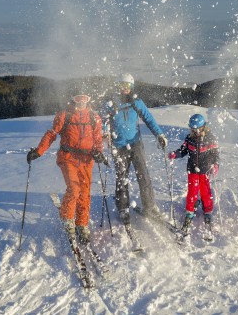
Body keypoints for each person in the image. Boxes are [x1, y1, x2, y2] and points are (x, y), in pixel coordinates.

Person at [27, 93, 108, 245]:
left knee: (84, 192)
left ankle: (82, 224)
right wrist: (39, 151)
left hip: (86, 160)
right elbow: (52, 134)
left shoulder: (94, 117)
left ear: (88, 100)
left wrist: (98, 152)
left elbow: (97, 138)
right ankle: (67, 218)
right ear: (73, 99)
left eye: (85, 99)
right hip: (68, 158)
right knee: (74, 189)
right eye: (78, 99)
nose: (82, 102)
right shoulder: (64, 115)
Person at [100, 73, 168, 226]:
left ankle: (150, 206)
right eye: (122, 86)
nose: (125, 89)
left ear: (132, 87)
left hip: (135, 144)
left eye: (128, 86)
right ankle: (123, 208)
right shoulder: (110, 104)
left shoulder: (136, 102)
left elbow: (148, 118)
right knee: (121, 178)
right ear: (117, 86)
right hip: (119, 146)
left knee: (143, 175)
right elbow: (102, 121)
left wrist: (159, 135)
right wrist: (104, 133)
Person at [169, 113, 219, 238]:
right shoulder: (189, 138)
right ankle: (190, 212)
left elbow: (215, 154)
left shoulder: (209, 138)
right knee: (192, 192)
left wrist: (215, 164)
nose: (195, 131)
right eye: (193, 129)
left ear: (203, 127)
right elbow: (183, 150)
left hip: (205, 170)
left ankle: (208, 212)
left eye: (197, 129)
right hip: (192, 170)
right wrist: (176, 154)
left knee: (205, 192)